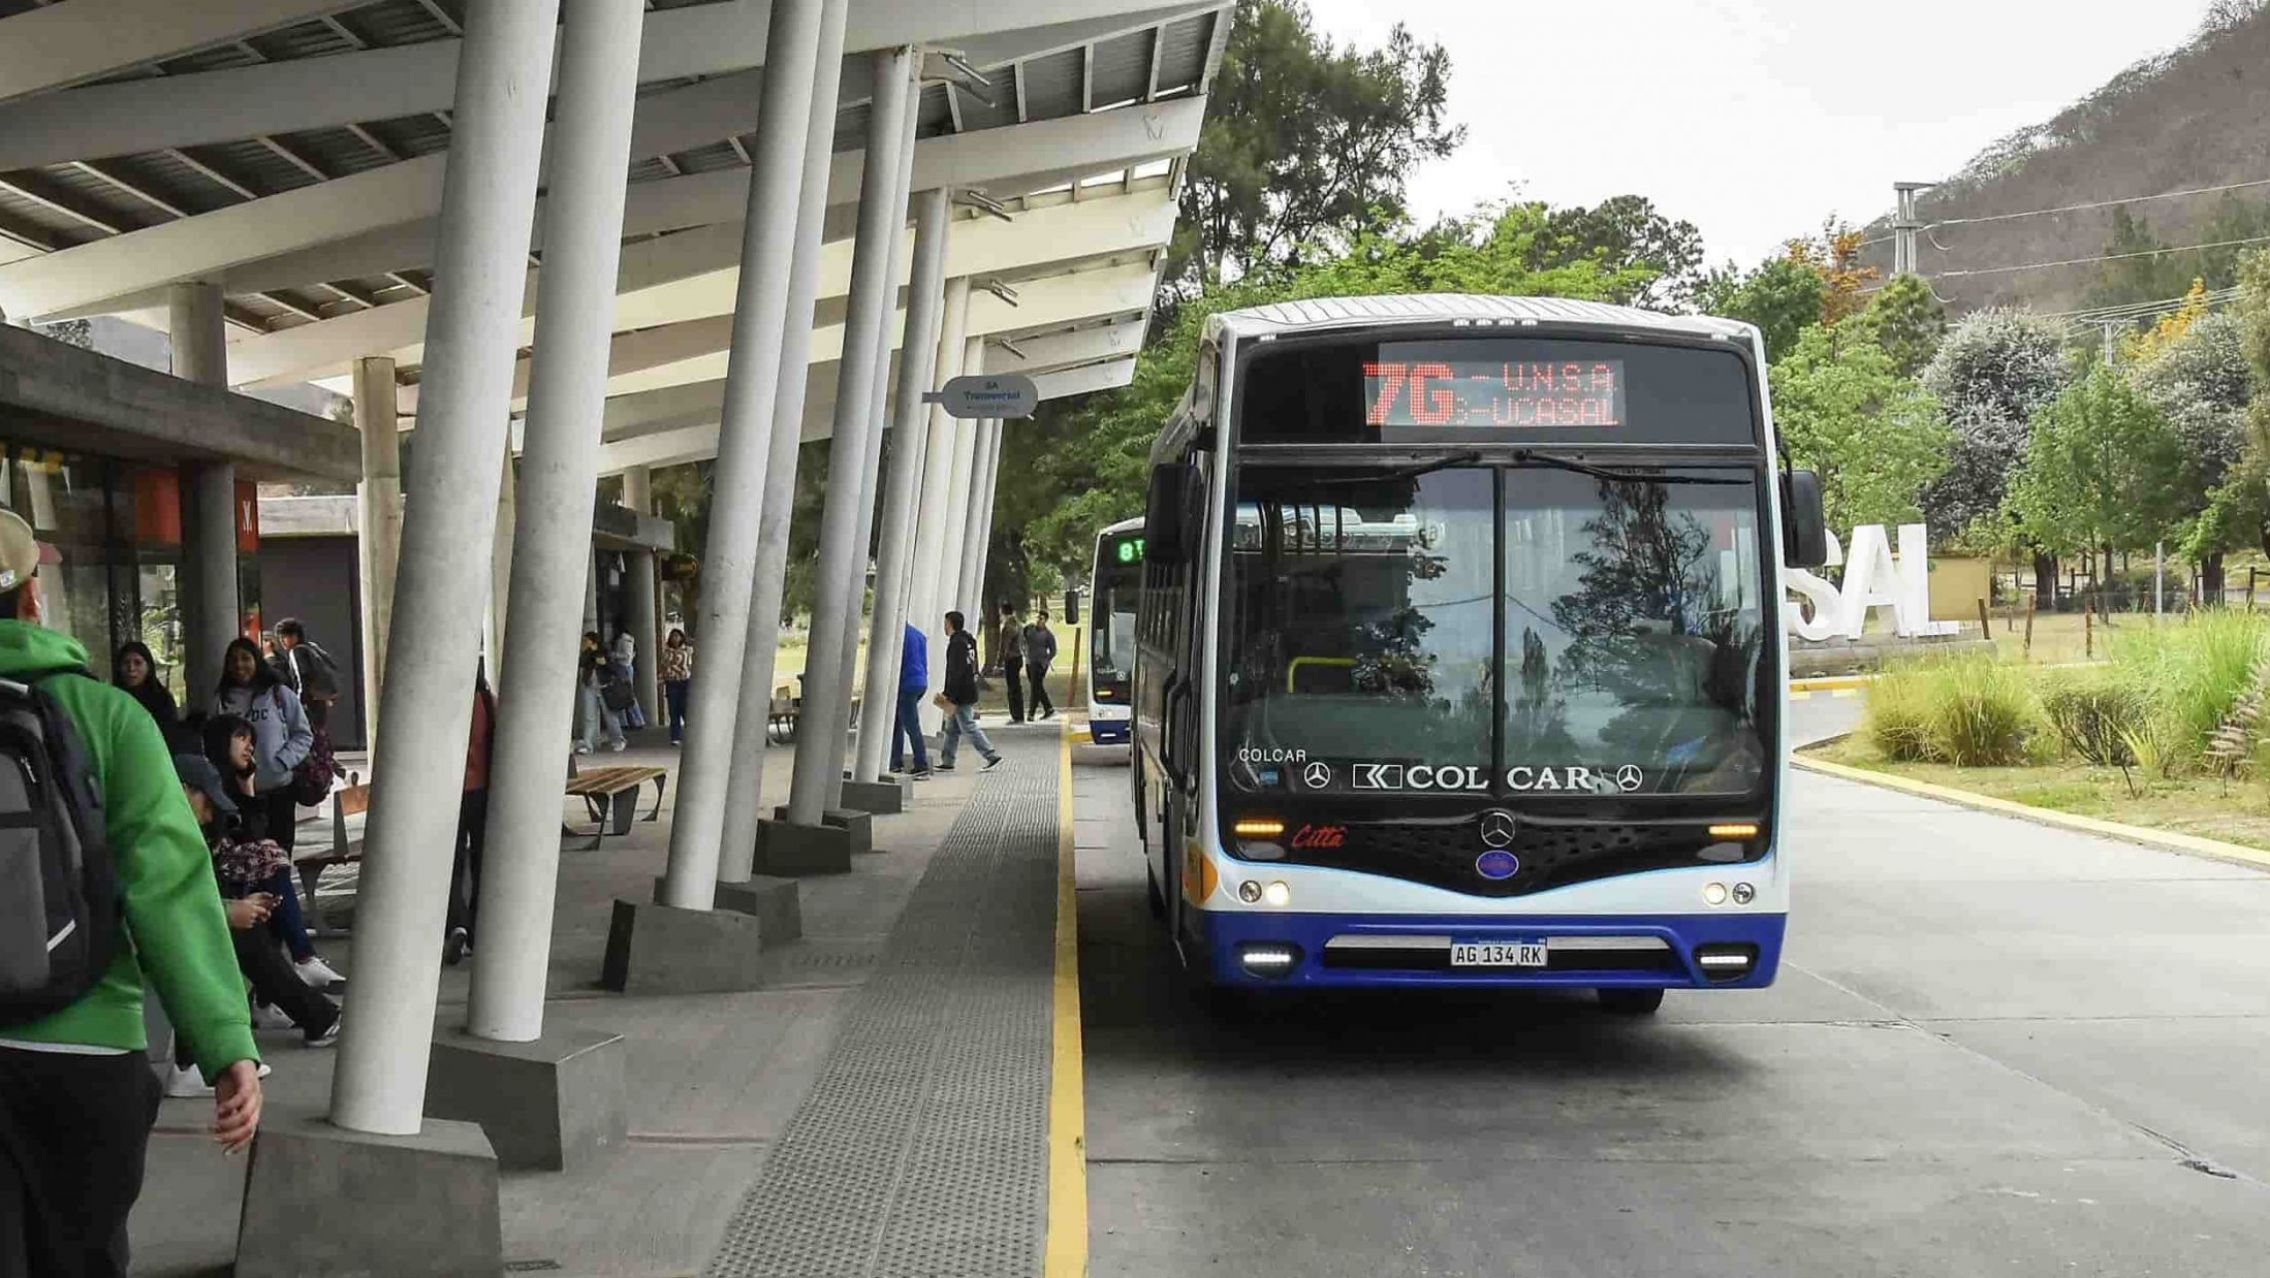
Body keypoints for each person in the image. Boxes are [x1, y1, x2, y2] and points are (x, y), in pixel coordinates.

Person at [0, 509, 263, 1276]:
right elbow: (170, 891)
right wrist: (225, 1044)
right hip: (88, 1054)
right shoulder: (110, 718)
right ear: (32, 602)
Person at [162, 754, 339, 1097]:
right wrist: (229, 912)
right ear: (184, 790)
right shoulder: (164, 835)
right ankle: (199, 1062)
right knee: (232, 937)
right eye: (208, 803)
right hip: (147, 937)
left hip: (174, 926)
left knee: (248, 925)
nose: (212, 814)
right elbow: (174, 906)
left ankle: (202, 1058)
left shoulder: (178, 829)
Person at [200, 714, 339, 991]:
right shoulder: (206, 780)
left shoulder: (234, 780)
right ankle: (302, 957)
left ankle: (275, 989)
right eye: (241, 738)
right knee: (270, 860)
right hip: (211, 865)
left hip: (234, 864)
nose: (249, 747)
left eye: (252, 741)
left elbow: (254, 833)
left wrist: (248, 785)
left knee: (271, 886)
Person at [212, 636, 315, 860]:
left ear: (257, 660)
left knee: (279, 857)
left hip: (279, 792)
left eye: (245, 658)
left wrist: (281, 762)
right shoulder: (222, 701)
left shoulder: (279, 694)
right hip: (239, 795)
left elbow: (303, 734)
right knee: (249, 857)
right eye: (233, 660)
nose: (239, 665)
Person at [445, 662, 496, 967]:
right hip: (482, 792)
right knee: (481, 862)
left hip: (449, 795)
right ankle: (477, 930)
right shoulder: (488, 703)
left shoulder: (446, 705)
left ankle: (457, 924)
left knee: (451, 865)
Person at [938, 610, 1003, 773]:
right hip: (968, 688)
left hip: (960, 693)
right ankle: (947, 760)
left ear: (951, 624)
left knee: (968, 724)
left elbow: (955, 670)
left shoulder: (956, 644)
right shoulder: (968, 640)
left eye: (946, 623)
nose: (944, 627)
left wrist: (949, 693)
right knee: (952, 728)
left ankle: (990, 754)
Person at [113, 640, 192, 753]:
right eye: (126, 663)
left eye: (137, 663)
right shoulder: (113, 699)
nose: (131, 668)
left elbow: (169, 737)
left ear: (148, 666)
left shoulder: (162, 699)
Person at [268, 618, 341, 733]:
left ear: (295, 636)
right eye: (280, 637)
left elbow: (302, 679)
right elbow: (331, 664)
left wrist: (298, 702)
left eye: (285, 636)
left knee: (306, 735)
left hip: (309, 701)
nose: (282, 641)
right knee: (318, 732)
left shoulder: (296, 652)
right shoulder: (312, 646)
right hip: (320, 698)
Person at [890, 621, 931, 780]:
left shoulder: (898, 635)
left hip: (906, 684)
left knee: (911, 726)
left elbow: (897, 663)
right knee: (898, 722)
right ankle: (895, 761)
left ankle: (921, 764)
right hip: (920, 682)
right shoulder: (918, 634)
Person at [575, 631, 625, 754]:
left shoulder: (604, 650)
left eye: (586, 641)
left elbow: (609, 665)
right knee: (589, 716)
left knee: (610, 715)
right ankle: (588, 745)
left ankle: (618, 740)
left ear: (593, 641)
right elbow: (582, 662)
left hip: (604, 686)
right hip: (590, 687)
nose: (584, 643)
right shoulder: (586, 653)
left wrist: (599, 656)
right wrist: (589, 652)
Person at [992, 599, 1026, 724]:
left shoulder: (1008, 627)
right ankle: (1019, 713)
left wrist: (998, 663)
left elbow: (1003, 646)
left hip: (1011, 659)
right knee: (1017, 687)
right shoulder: (1018, 624)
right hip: (1018, 657)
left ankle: (1016, 715)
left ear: (1002, 612)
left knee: (1012, 688)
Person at [1022, 608, 1058, 720]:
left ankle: (1031, 713)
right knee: (1037, 687)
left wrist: (1046, 660)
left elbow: (1053, 650)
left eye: (1041, 618)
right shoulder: (1030, 629)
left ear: (1045, 620)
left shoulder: (1048, 635)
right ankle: (1048, 708)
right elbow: (1023, 637)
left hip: (1040, 664)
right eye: (1038, 617)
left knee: (1035, 687)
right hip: (1030, 661)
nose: (1038, 620)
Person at [659, 628, 693, 746]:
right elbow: (663, 667)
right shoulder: (667, 652)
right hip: (671, 682)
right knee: (673, 710)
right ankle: (675, 737)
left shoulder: (688, 650)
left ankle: (690, 734)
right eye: (673, 636)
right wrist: (662, 679)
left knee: (685, 708)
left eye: (677, 636)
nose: (675, 639)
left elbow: (690, 666)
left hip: (684, 682)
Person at [609, 628, 645, 730]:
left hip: (623, 667)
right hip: (625, 667)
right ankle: (633, 721)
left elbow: (627, 655)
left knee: (625, 695)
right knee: (625, 695)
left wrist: (613, 655)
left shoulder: (624, 640)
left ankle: (632, 721)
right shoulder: (628, 640)